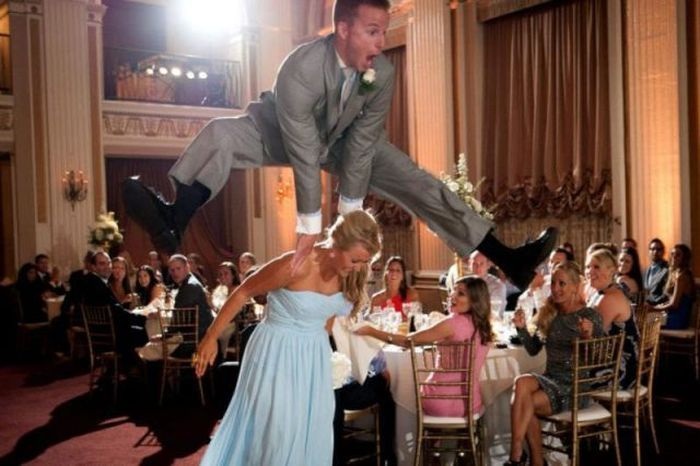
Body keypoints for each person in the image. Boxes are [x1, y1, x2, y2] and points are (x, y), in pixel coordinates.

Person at [121, 0, 557, 292]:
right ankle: (175, 219)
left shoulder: (381, 73)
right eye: (372, 31)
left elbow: (365, 141)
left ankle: (509, 258)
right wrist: (311, 226)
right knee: (220, 133)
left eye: (384, 31)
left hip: (345, 141)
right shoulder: (300, 69)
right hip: (281, 129)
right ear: (343, 29)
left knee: (420, 183)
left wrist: (349, 213)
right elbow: (303, 152)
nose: (381, 42)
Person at [193, 210, 382, 465]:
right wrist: (210, 337)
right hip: (275, 353)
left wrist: (323, 360)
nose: (358, 268)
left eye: (364, 262)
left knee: (310, 431)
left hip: (313, 359)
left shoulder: (350, 275)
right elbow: (243, 292)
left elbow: (325, 323)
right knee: (276, 433)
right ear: (337, 245)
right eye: (355, 260)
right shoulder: (297, 264)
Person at [506, 262, 604, 466]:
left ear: (575, 286)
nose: (556, 288)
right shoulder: (550, 313)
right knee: (521, 383)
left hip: (575, 387)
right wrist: (521, 329)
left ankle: (526, 458)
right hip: (551, 378)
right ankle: (518, 454)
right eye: (553, 283)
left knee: (525, 404)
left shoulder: (589, 316)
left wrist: (587, 336)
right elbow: (533, 349)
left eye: (562, 283)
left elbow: (597, 360)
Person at [356, 275, 492, 417]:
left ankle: (413, 430)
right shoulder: (484, 327)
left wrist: (371, 331)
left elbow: (407, 342)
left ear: (474, 301)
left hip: (440, 400)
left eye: (461, 293)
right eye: (454, 290)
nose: (452, 295)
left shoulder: (453, 323)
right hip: (472, 404)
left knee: (395, 386)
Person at [585, 248, 638, 390]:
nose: (590, 271)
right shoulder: (601, 292)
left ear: (612, 270)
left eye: (596, 267)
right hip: (606, 359)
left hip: (619, 369)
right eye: (588, 267)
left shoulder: (610, 297)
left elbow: (590, 338)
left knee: (564, 376)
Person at [653, 244, 696, 329]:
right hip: (673, 316)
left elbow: (674, 305)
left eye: (678, 255)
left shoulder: (682, 276)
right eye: (672, 254)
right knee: (646, 317)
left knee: (645, 319)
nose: (674, 257)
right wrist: (659, 306)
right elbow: (671, 301)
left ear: (685, 258)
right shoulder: (676, 274)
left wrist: (654, 308)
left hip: (677, 320)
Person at [370, 255, 420, 321]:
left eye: (398, 270)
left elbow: (416, 318)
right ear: (386, 274)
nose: (394, 273)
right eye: (391, 270)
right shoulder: (376, 299)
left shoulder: (411, 294)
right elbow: (372, 322)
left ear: (402, 276)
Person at [644, 238, 669, 305]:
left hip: (660, 308)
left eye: (658, 249)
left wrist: (653, 304)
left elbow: (667, 293)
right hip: (647, 308)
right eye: (652, 249)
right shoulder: (647, 270)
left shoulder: (667, 269)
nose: (655, 252)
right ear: (649, 251)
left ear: (663, 251)